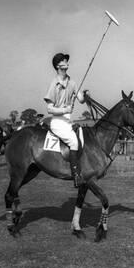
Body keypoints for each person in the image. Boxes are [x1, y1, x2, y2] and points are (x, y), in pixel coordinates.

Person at [44, 53, 87, 187]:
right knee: (74, 142)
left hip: (68, 121)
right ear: (58, 66)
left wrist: (85, 95)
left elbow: (81, 99)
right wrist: (65, 110)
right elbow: (49, 109)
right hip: (57, 121)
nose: (66, 62)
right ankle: (76, 176)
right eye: (63, 60)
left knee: (82, 138)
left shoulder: (72, 82)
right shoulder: (54, 83)